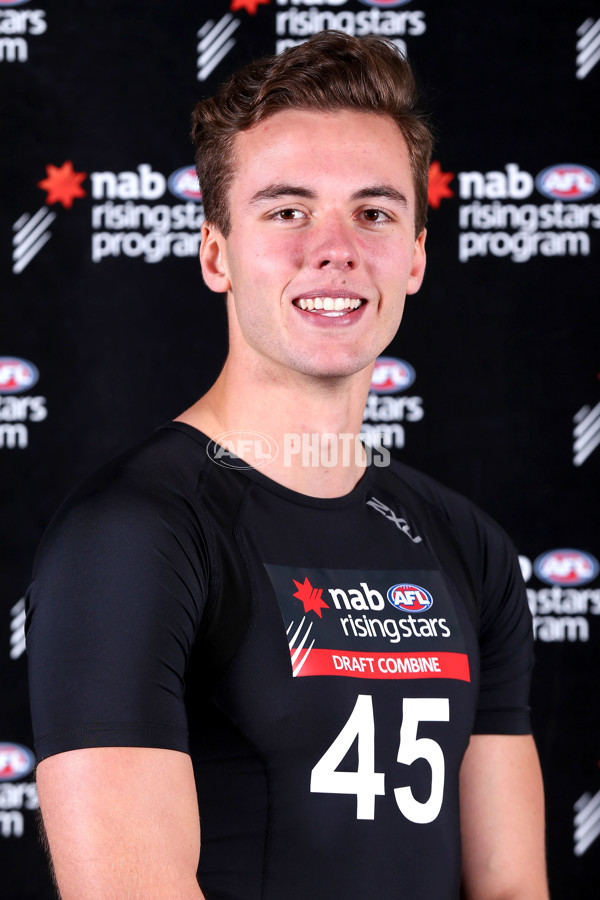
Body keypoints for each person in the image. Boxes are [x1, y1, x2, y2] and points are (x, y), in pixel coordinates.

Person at [26, 31, 549, 900]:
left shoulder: (471, 547)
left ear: (416, 255)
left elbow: (510, 886)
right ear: (217, 254)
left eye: (374, 213)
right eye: (287, 211)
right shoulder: (131, 537)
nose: (335, 249)